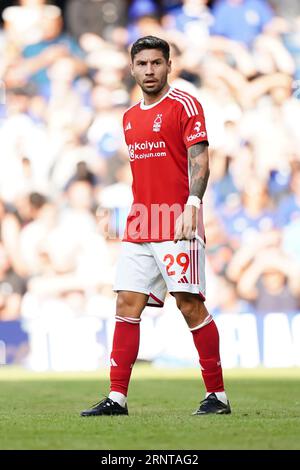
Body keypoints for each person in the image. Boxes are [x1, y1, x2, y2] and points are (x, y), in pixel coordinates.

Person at [81, 35, 231, 417]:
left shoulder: (185, 105)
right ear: (132, 69)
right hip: (141, 222)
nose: (149, 70)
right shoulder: (129, 117)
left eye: (156, 63)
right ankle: (117, 398)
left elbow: (201, 160)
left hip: (177, 221)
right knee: (126, 303)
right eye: (142, 64)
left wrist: (193, 205)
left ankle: (217, 395)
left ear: (169, 66)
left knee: (189, 304)